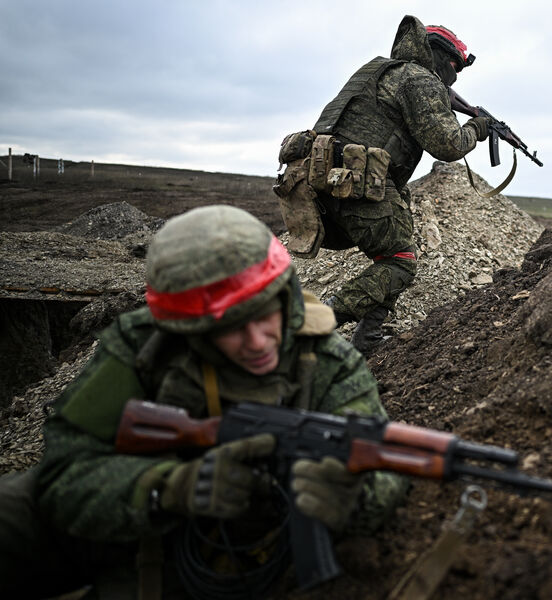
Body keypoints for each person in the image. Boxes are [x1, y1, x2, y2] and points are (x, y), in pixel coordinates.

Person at [0, 205, 407, 599]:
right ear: (188, 328)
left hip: (237, 549)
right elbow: (66, 470)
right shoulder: (145, 345)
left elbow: (386, 465)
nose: (256, 341)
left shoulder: (328, 364)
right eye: (229, 327)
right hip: (134, 523)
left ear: (286, 297)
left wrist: (354, 494)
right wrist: (169, 488)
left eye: (265, 314)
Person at [279, 15, 491, 354]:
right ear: (441, 58)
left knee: (394, 252)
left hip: (321, 178)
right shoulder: (420, 80)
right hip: (357, 181)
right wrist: (478, 129)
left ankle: (368, 339)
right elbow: (449, 144)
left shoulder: (381, 69)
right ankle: (314, 322)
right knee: (401, 260)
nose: (455, 74)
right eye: (455, 66)